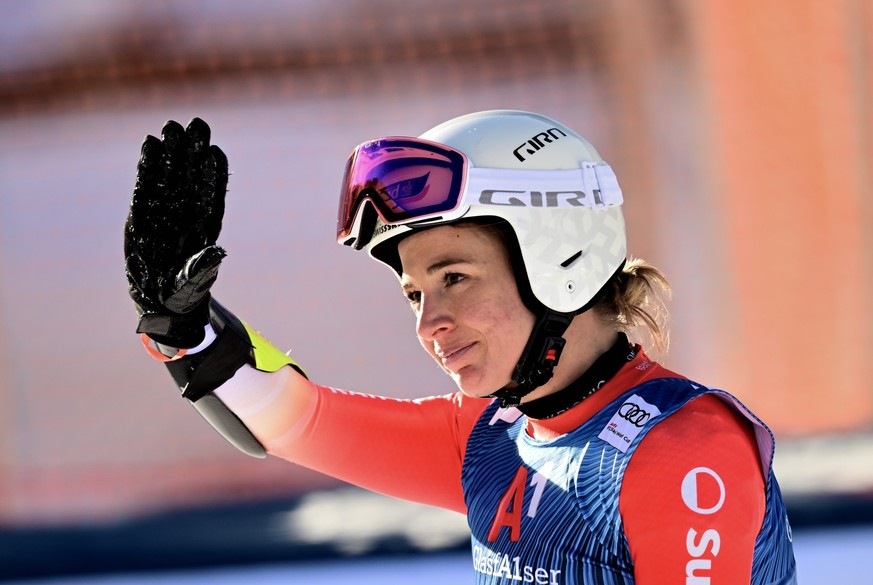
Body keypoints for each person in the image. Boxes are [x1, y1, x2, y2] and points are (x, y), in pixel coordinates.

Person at [124, 110, 797, 584]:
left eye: (454, 278)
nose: (429, 323)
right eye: (416, 293)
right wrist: (188, 332)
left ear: (559, 257)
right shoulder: (494, 435)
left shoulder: (681, 450)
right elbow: (293, 419)